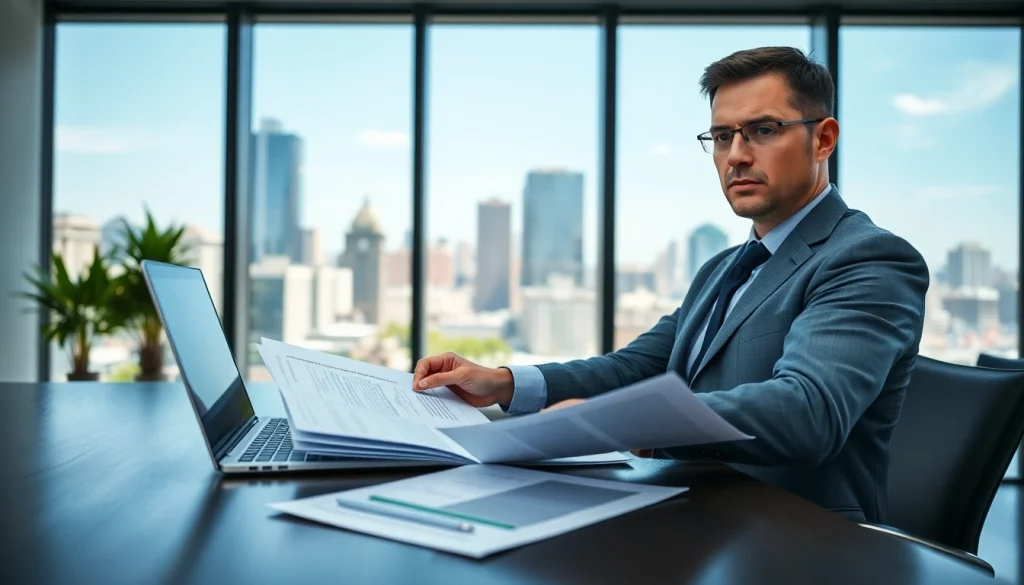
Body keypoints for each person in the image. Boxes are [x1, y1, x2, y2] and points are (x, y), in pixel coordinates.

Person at [411, 46, 929, 524]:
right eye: (723, 136)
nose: (736, 155)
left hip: (803, 543)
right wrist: (504, 382)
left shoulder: (868, 258)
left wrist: (619, 424)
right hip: (696, 518)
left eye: (763, 130)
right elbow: (637, 368)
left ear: (823, 138)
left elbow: (808, 411)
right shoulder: (725, 267)